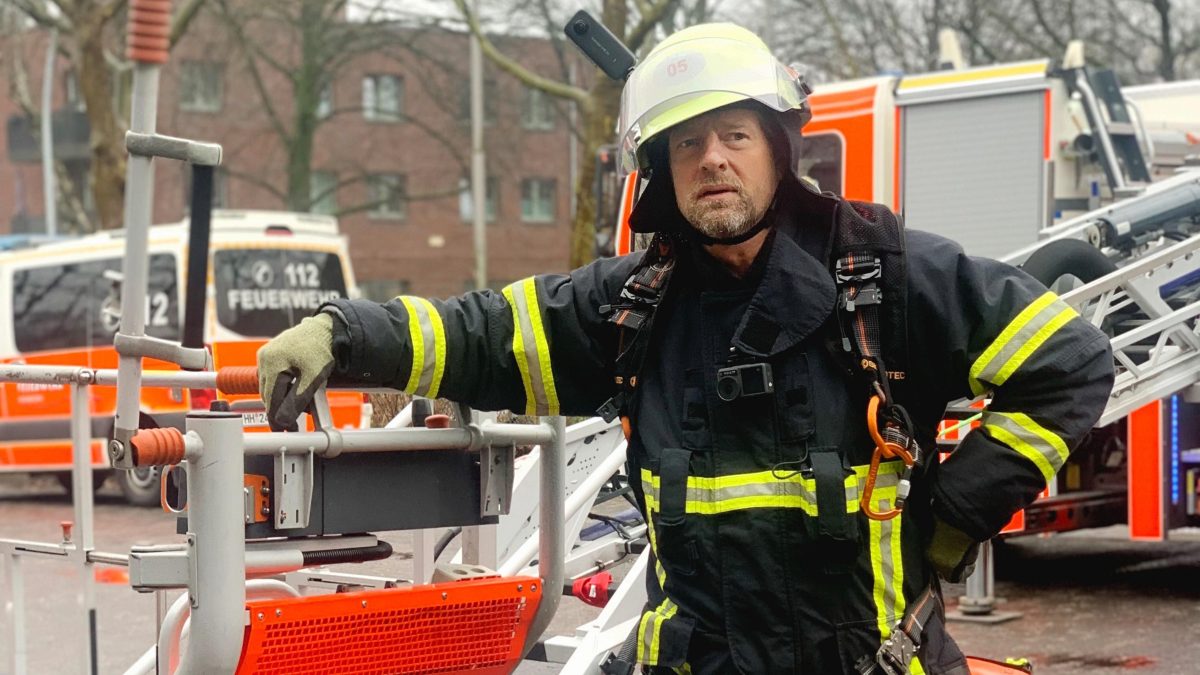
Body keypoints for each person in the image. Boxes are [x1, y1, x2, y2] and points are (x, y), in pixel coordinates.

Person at [258, 23, 1113, 675]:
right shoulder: (632, 303)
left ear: (779, 150)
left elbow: (1069, 362)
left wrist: (956, 513)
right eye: (688, 144)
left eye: (736, 137)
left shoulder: (886, 278)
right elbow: (485, 332)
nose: (714, 161)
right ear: (662, 172)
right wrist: (345, 332)